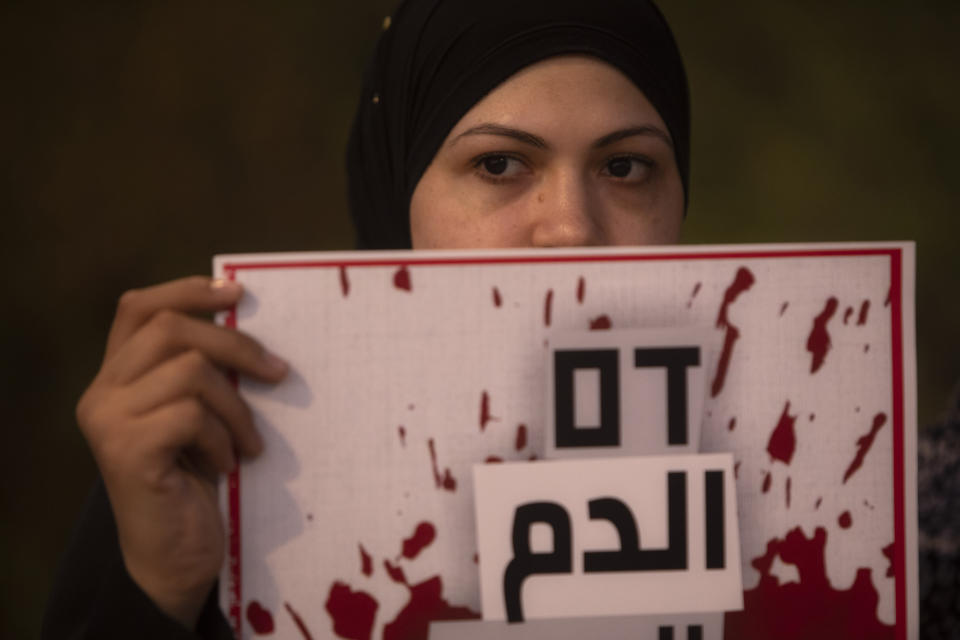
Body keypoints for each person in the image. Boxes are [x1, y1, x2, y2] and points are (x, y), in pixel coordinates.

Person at [42, 0, 690, 637]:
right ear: (397, 182)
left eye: (625, 166)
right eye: (498, 164)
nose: (572, 230)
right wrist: (158, 595)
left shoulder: (770, 445)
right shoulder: (220, 447)